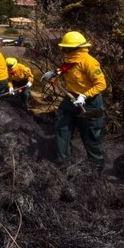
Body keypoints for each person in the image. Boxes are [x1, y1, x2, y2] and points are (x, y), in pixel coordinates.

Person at [42, 31, 106, 171]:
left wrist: (84, 96)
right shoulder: (70, 59)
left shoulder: (89, 62)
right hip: (70, 99)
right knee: (62, 128)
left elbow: (101, 84)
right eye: (64, 48)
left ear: (77, 48)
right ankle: (62, 164)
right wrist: (55, 72)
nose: (65, 51)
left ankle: (96, 170)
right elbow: (66, 68)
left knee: (89, 136)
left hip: (90, 103)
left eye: (67, 48)